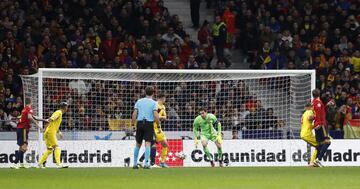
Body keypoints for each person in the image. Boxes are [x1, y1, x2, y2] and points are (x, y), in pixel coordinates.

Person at [132, 86, 161, 169]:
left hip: (140, 123)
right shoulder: (154, 103)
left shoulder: (139, 101)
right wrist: (158, 125)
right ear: (153, 93)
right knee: (148, 143)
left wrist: (133, 125)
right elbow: (155, 114)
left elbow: (134, 113)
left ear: (145, 92)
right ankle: (146, 164)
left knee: (138, 144)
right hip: (149, 124)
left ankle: (134, 163)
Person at [138, 93, 169, 168]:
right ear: (161, 98)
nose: (165, 100)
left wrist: (161, 117)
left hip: (158, 128)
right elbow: (153, 116)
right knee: (152, 145)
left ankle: (162, 162)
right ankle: (148, 162)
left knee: (165, 144)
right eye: (164, 98)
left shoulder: (163, 106)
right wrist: (161, 117)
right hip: (151, 126)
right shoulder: (155, 105)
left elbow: (164, 116)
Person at [10, 98, 40, 169]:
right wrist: (37, 124)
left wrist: (36, 118)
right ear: (31, 102)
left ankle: (21, 163)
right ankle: (14, 164)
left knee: (21, 147)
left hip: (19, 128)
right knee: (24, 147)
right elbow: (29, 117)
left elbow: (25, 116)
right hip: (23, 129)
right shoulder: (29, 108)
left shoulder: (24, 109)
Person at [38, 102, 69, 168]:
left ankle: (40, 164)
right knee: (56, 147)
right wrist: (46, 126)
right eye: (67, 107)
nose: (67, 108)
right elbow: (51, 119)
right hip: (50, 132)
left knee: (50, 150)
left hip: (48, 132)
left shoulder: (59, 113)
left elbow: (51, 122)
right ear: (65, 107)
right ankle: (58, 164)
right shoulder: (59, 112)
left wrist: (58, 132)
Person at [312, 89, 331, 167]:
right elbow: (319, 114)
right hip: (321, 124)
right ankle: (318, 159)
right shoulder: (318, 103)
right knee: (327, 142)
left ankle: (315, 161)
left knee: (320, 143)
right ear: (319, 94)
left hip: (317, 124)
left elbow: (320, 112)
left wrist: (326, 105)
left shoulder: (313, 102)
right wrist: (319, 123)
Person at [300, 102, 319, 167]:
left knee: (316, 146)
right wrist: (316, 116)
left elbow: (307, 124)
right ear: (310, 107)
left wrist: (314, 126)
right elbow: (309, 118)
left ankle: (312, 162)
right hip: (307, 134)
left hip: (303, 133)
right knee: (319, 146)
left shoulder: (304, 114)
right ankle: (312, 162)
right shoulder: (310, 111)